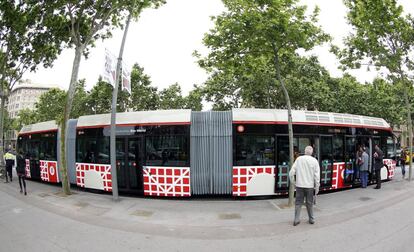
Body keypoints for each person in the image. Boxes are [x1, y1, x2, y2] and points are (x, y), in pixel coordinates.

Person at [289, 146, 320, 226]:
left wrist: (294, 182)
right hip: (309, 186)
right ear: (312, 152)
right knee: (309, 203)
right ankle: (311, 219)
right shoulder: (315, 161)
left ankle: (296, 220)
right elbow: (317, 177)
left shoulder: (299, 159)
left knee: (298, 203)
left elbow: (291, 173)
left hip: (299, 185)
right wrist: (317, 188)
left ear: (304, 151)